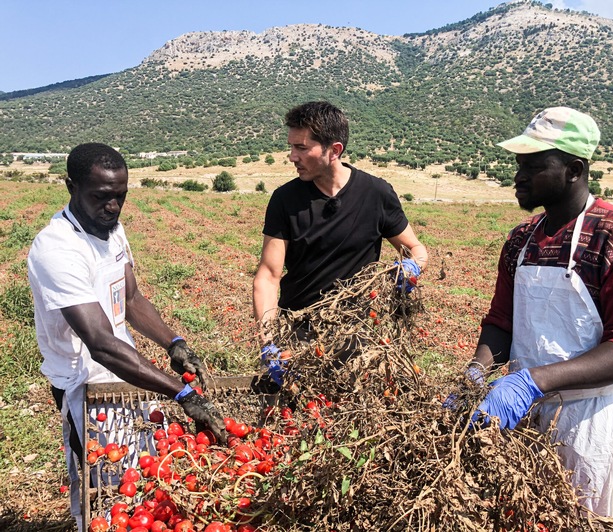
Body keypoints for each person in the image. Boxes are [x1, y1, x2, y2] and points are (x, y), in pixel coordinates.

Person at [461, 107, 613, 531]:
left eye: (534, 166)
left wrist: (533, 381)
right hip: (528, 415)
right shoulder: (522, 240)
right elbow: (502, 321)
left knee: (598, 519)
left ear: (574, 169)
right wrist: (476, 375)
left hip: (605, 413)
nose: (519, 176)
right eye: (519, 165)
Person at [27, 143, 227, 530]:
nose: (114, 207)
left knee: (137, 476)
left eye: (121, 196)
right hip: (84, 383)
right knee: (106, 489)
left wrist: (174, 342)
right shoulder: (58, 249)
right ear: (71, 185)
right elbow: (100, 344)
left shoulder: (112, 230)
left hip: (126, 372)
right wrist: (180, 392)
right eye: (102, 197)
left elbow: (131, 297)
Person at [253, 101, 428, 384]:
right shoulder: (285, 200)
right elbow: (269, 275)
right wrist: (269, 340)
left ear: (334, 150)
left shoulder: (376, 194)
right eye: (291, 146)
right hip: (297, 332)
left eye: (301, 148)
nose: (291, 156)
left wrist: (412, 267)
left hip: (356, 335)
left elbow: (416, 249)